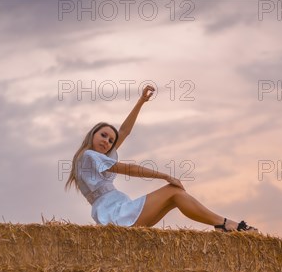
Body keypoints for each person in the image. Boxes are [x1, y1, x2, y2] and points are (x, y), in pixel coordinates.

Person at [65, 85, 258, 233]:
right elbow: (130, 170)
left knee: (177, 196)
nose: (107, 141)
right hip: (117, 215)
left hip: (119, 214)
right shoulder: (89, 156)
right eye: (103, 135)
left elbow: (123, 131)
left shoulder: (93, 159)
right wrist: (165, 176)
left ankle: (222, 225)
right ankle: (226, 224)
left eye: (110, 140)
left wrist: (140, 101)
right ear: (92, 135)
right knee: (172, 189)